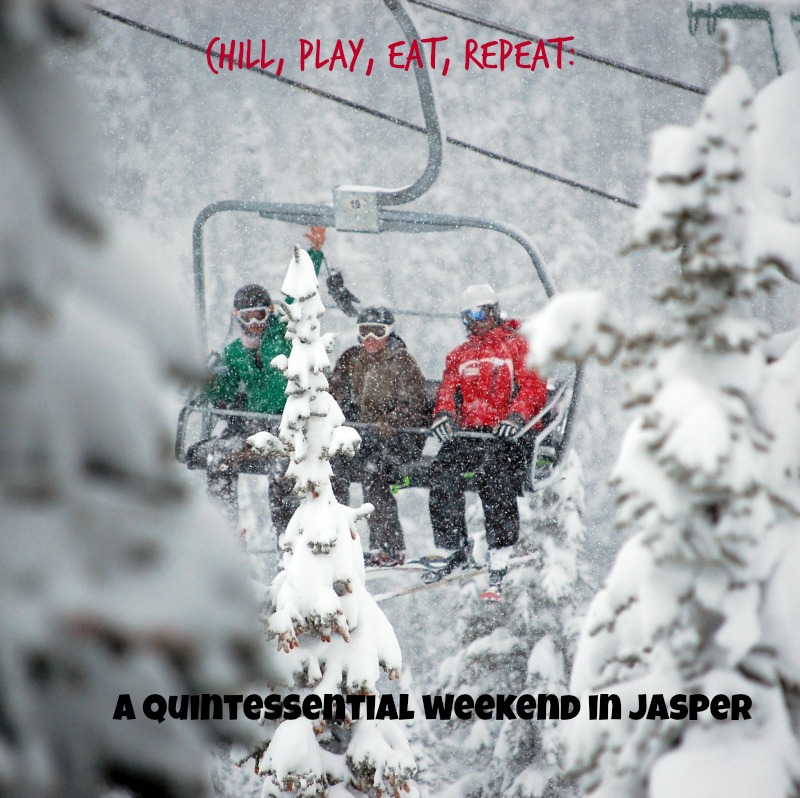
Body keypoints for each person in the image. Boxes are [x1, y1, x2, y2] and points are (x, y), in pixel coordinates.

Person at [428, 283, 548, 599]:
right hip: (470, 434)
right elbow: (447, 391)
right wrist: (443, 415)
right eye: (469, 315)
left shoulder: (518, 347)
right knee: (442, 471)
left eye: (481, 312)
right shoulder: (460, 355)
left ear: (494, 311)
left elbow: (532, 387)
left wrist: (518, 417)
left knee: (495, 475)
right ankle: (452, 545)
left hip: (507, 435)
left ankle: (501, 548)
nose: (476, 320)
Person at [189, 282, 297, 534]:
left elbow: (298, 299)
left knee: (282, 467)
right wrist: (211, 380)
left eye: (260, 315)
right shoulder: (235, 352)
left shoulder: (284, 337)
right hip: (252, 426)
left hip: (285, 425)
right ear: (238, 318)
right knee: (220, 458)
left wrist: (313, 254)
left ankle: (287, 539)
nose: (254, 323)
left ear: (270, 312)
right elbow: (224, 394)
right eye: (247, 317)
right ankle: (224, 533)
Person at [329, 306, 427, 566]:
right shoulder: (351, 358)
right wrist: (343, 418)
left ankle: (387, 546)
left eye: (377, 332)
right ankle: (334, 538)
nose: (369, 339)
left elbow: (413, 406)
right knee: (335, 469)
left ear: (389, 332)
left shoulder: (402, 361)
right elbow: (334, 393)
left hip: (397, 439)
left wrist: (386, 425)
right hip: (362, 437)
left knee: (374, 472)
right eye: (364, 332)